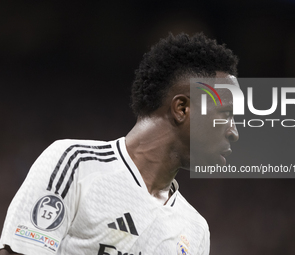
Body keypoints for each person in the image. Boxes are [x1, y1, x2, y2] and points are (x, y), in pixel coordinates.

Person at [0, 32, 239, 255]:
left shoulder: (195, 230)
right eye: (226, 114)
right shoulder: (75, 164)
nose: (234, 132)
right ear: (182, 109)